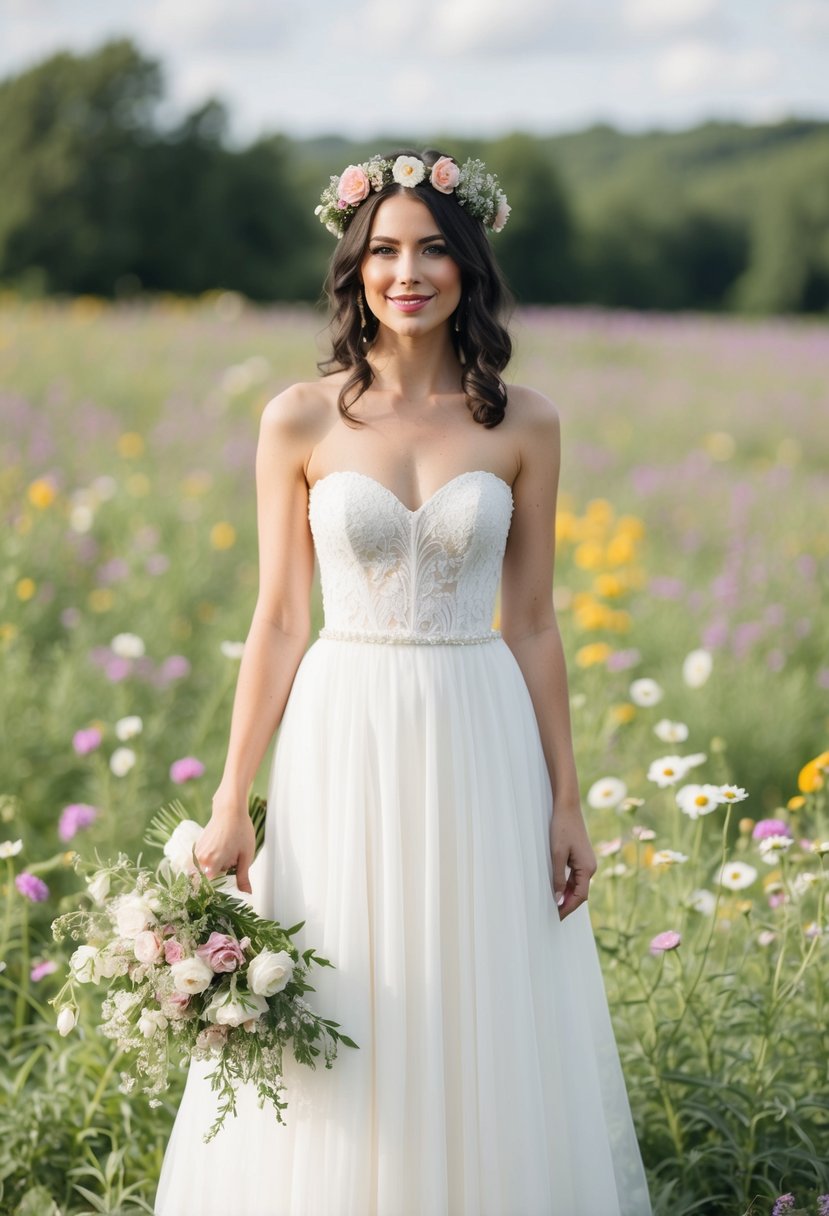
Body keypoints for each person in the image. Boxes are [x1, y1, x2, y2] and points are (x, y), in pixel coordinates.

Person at [154, 148, 653, 1216]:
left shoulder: (526, 422)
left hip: (479, 732)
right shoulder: (298, 417)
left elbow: (532, 621)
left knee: (474, 1001)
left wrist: (567, 801)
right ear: (355, 266)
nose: (406, 270)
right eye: (382, 249)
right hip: (342, 733)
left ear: (468, 263)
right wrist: (232, 801)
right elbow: (281, 617)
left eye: (431, 248)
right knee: (339, 986)